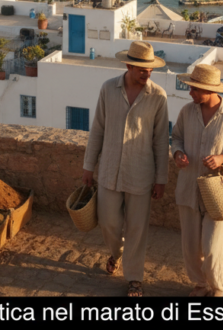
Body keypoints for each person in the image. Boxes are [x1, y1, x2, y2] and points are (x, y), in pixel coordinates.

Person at [83, 41, 169, 298]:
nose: (147, 73)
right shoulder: (108, 89)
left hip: (141, 174)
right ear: (129, 65)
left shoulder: (158, 97)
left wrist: (161, 179)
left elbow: (161, 140)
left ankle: (134, 279)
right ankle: (116, 253)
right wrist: (89, 166)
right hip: (109, 171)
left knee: (137, 229)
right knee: (108, 222)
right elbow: (97, 128)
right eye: (142, 69)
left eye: (150, 69)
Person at [171, 64, 223, 298]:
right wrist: (177, 154)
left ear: (209, 90)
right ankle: (200, 285)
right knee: (190, 248)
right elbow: (176, 138)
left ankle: (217, 288)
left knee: (214, 248)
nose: (190, 93)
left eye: (195, 89)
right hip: (188, 189)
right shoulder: (187, 112)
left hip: (218, 196)